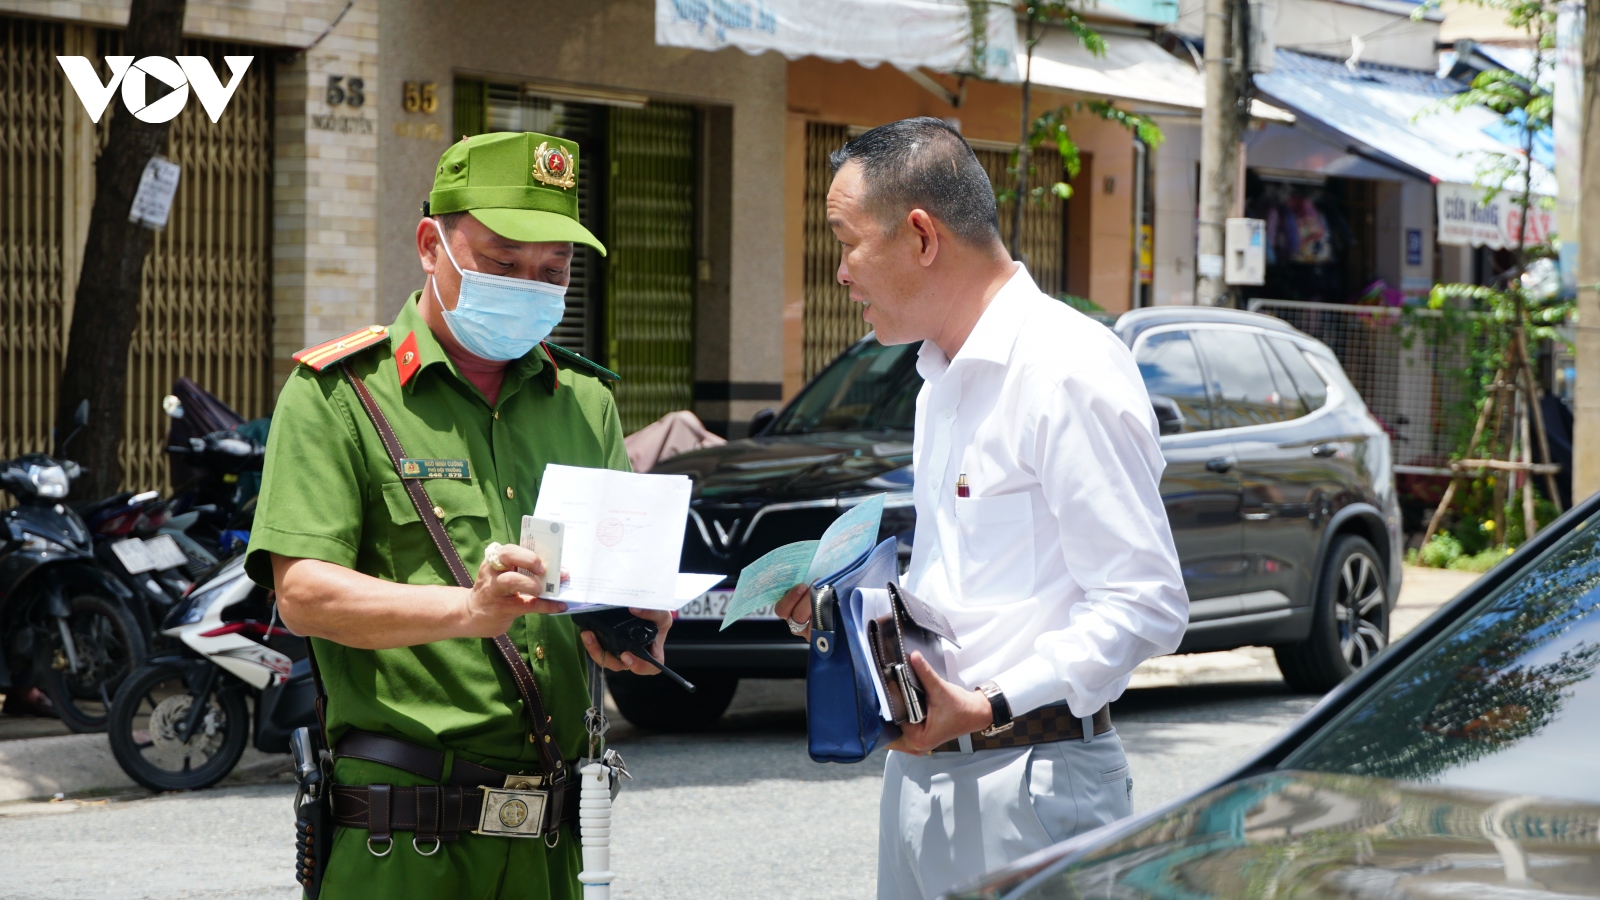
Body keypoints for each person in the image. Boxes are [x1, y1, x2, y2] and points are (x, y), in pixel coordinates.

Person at [246, 131, 672, 900]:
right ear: (429, 246)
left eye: (552, 271)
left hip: (550, 842)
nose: (529, 286)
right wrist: (469, 611)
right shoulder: (342, 395)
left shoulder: (584, 402)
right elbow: (303, 593)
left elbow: (600, 581)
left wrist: (629, 623)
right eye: (503, 264)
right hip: (403, 841)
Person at [774, 118, 1189, 899]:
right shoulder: (941, 379)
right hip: (925, 777)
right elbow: (973, 595)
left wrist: (991, 702)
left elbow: (1147, 603)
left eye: (846, 241)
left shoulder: (1065, 368)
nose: (839, 273)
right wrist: (847, 617)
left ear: (922, 237)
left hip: (1033, 782)